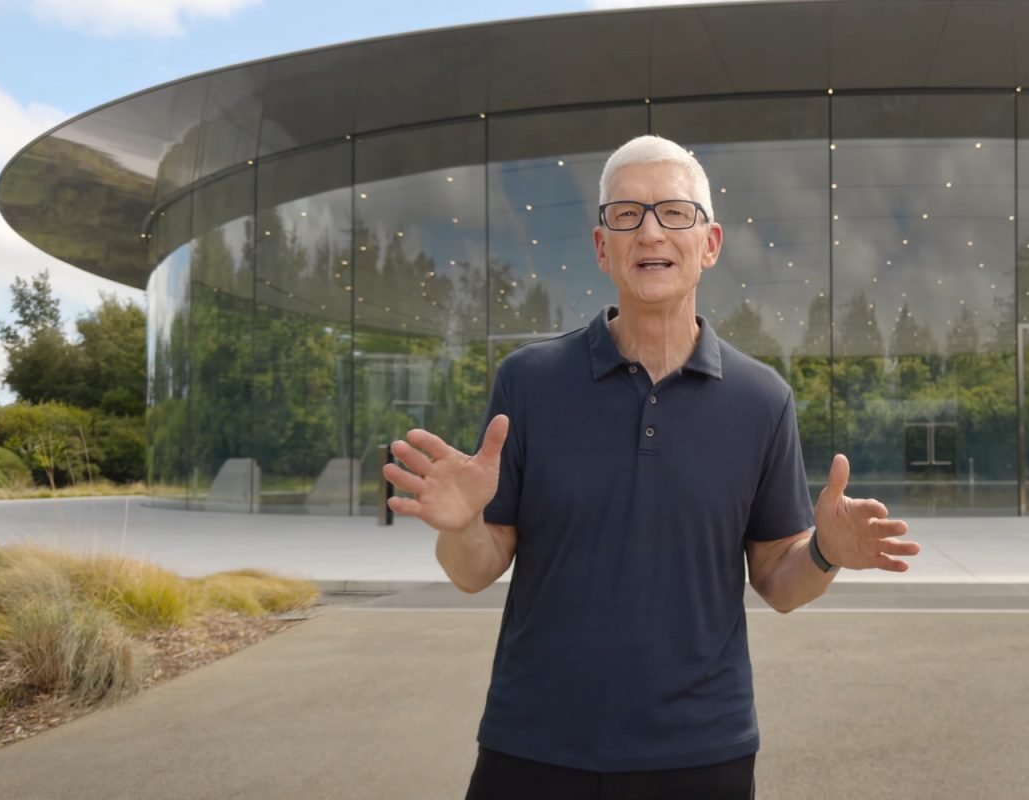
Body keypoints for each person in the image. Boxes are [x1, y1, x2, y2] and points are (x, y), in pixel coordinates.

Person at [381, 134, 921, 800]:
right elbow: (474, 570)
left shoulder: (762, 400)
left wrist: (824, 553)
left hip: (702, 751)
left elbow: (778, 583)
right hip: (533, 743)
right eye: (626, 214)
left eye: (674, 212)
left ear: (710, 243)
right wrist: (461, 524)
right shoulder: (528, 383)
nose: (650, 231)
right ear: (601, 246)